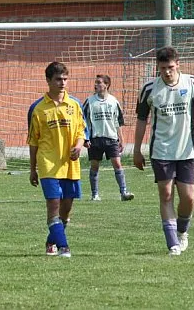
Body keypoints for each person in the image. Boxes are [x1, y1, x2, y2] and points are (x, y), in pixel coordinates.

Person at [133, 46, 194, 256]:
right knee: (166, 193)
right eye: (162, 69)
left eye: (170, 67)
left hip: (187, 149)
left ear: (178, 64)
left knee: (188, 198)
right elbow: (142, 120)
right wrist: (136, 150)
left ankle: (182, 232)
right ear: (157, 68)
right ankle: (172, 244)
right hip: (161, 150)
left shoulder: (193, 83)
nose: (167, 72)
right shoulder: (150, 88)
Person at [27, 61, 87, 258]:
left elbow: (81, 132)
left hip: (70, 165)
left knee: (66, 211)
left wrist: (78, 146)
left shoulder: (75, 104)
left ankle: (52, 240)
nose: (62, 83)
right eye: (58, 79)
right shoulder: (37, 109)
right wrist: (33, 168)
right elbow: (33, 141)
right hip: (48, 164)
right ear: (48, 81)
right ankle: (64, 247)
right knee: (53, 205)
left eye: (65, 79)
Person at [83, 74, 134, 202]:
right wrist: (85, 138)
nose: (97, 85)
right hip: (95, 139)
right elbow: (83, 121)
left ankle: (123, 192)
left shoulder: (113, 101)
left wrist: (121, 139)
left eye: (99, 82)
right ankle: (95, 194)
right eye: (96, 82)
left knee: (117, 164)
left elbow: (118, 122)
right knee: (95, 166)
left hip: (111, 139)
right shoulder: (89, 101)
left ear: (107, 85)